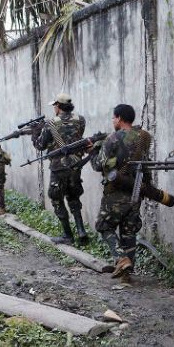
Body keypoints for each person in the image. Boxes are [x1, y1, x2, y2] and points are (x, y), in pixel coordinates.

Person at [89, 104, 152, 281]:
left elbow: (98, 165)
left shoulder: (113, 139)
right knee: (129, 231)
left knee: (103, 225)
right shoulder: (144, 137)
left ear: (119, 118)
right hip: (136, 191)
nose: (112, 121)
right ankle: (127, 273)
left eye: (113, 118)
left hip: (115, 193)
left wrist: (93, 150)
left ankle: (121, 259)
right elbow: (146, 164)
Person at [32, 93, 89, 245]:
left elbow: (40, 145)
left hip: (58, 167)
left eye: (54, 106)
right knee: (73, 196)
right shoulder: (81, 120)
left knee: (56, 198)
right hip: (76, 164)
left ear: (58, 106)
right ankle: (81, 231)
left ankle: (67, 235)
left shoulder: (50, 123)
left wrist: (34, 132)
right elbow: (77, 138)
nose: (54, 109)